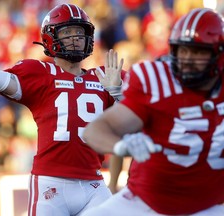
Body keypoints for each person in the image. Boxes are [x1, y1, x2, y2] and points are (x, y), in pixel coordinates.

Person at [0, 4, 124, 216]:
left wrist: (118, 93)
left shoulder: (105, 77)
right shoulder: (40, 72)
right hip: (51, 185)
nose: (75, 38)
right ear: (50, 38)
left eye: (79, 32)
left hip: (94, 185)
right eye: (67, 32)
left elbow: (133, 126)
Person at [82, 8, 224, 216]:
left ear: (218, 53)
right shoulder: (156, 80)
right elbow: (95, 130)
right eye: (182, 50)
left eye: (197, 51)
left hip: (210, 206)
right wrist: (121, 145)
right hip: (146, 202)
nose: (187, 59)